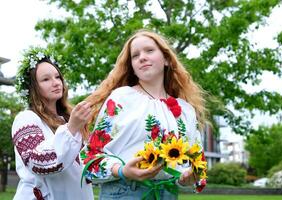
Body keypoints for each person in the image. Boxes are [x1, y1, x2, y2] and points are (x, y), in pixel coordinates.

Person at [83, 29, 207, 199]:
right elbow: (91, 155)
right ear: (132, 67)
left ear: (166, 59)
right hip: (124, 192)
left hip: (168, 194)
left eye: (149, 50)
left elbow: (196, 160)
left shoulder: (185, 109)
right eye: (135, 55)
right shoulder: (122, 98)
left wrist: (187, 177)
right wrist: (122, 171)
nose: (142, 57)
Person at [12, 47, 94, 200]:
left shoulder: (69, 119)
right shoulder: (26, 118)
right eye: (46, 79)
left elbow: (86, 164)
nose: (56, 83)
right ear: (33, 88)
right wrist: (72, 128)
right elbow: (38, 163)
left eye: (57, 77)